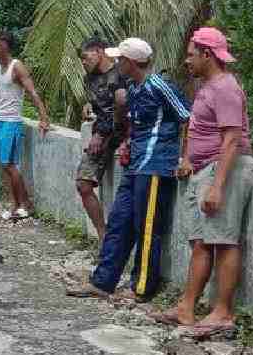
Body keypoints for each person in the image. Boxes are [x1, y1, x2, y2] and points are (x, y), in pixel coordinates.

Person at [68, 38, 191, 302]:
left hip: (156, 164)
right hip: (136, 164)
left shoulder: (159, 85)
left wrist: (185, 157)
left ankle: (142, 287)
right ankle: (103, 281)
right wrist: (127, 140)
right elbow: (134, 122)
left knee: (146, 227)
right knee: (120, 221)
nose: (116, 63)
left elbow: (186, 117)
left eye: (120, 59)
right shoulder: (133, 87)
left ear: (131, 62)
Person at [154, 27, 253, 338]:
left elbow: (231, 138)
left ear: (207, 54)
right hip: (204, 169)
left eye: (191, 55)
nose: (187, 61)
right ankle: (187, 307)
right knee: (200, 242)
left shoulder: (226, 87)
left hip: (224, 169)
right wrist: (189, 159)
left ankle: (223, 312)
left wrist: (217, 185)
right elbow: (200, 128)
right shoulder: (208, 86)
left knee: (224, 241)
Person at [0, 32, 50, 222]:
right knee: (4, 166)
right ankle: (14, 204)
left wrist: (43, 117)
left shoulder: (17, 67)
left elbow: (32, 92)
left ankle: (25, 204)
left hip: (10, 121)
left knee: (9, 165)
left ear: (4, 45)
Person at [76, 37, 129, 244]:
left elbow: (121, 107)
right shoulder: (90, 78)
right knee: (83, 184)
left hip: (120, 134)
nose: (83, 62)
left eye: (85, 57)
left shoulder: (120, 74)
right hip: (101, 134)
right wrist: (88, 105)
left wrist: (102, 133)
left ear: (98, 51)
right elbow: (99, 104)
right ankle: (103, 235)